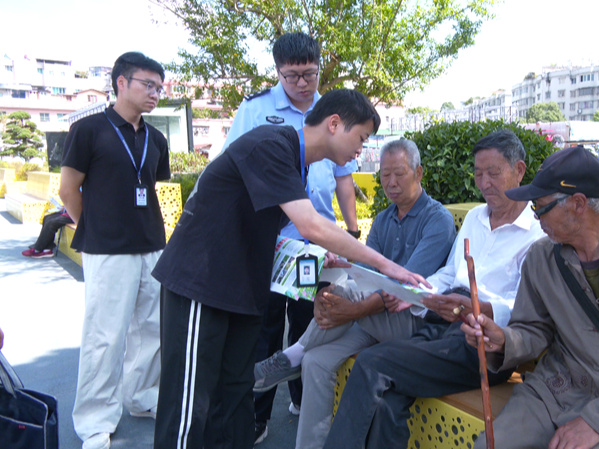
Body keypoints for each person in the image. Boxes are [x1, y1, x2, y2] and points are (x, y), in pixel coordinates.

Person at [150, 88, 427, 449]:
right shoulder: (271, 144)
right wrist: (391, 268)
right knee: (190, 405)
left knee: (235, 397)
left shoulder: (298, 164)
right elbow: (311, 224)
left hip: (242, 291)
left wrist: (315, 255)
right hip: (201, 284)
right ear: (334, 124)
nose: (361, 150)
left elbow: (268, 232)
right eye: (361, 137)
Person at [322, 129, 545, 449]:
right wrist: (417, 294)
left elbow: (525, 309)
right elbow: (449, 274)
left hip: (482, 342)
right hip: (442, 322)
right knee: (386, 401)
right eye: (478, 174)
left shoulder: (537, 235)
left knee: (372, 362)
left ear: (519, 170)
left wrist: (480, 309)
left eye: (493, 173)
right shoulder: (475, 217)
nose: (484, 183)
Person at [462, 146, 599, 449]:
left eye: (541, 208)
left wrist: (596, 421)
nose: (536, 218)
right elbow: (533, 328)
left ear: (578, 204)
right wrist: (503, 340)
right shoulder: (541, 257)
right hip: (555, 390)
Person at [253, 138, 456, 449]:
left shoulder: (437, 220)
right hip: (371, 320)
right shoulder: (384, 219)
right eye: (385, 175)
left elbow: (405, 290)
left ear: (419, 173)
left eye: (399, 174)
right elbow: (362, 273)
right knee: (316, 361)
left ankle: (292, 354)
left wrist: (348, 306)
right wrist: (334, 284)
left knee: (345, 295)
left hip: (412, 323)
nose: (391, 182)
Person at [221, 33, 361, 441]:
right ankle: (257, 416)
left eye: (310, 74)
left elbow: (343, 179)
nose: (301, 83)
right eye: (292, 75)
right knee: (264, 328)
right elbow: (233, 169)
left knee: (308, 322)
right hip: (270, 244)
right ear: (278, 72)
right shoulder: (256, 110)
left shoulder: (332, 111)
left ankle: (301, 399)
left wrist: (352, 231)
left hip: (316, 245)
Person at [59, 52, 170, 449]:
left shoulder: (156, 138)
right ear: (121, 82)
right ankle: (94, 421)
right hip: (107, 249)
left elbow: (149, 188)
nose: (155, 93)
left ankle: (142, 397)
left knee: (152, 331)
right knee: (104, 336)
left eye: (159, 87)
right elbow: (68, 189)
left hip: (152, 245)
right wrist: (93, 226)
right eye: (148, 84)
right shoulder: (88, 130)